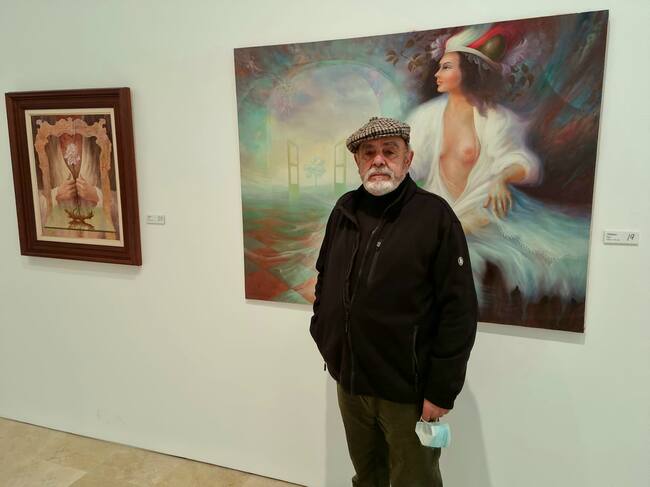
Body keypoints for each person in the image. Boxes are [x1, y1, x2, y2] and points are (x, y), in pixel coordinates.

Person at [310, 116, 478, 486]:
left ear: (408, 158)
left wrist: (441, 390)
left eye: (389, 151)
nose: (378, 160)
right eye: (368, 152)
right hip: (351, 384)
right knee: (367, 475)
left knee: (413, 480)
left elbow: (459, 311)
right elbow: (325, 276)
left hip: (407, 392)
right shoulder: (343, 210)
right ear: (357, 162)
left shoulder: (434, 216)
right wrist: (324, 334)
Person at [408, 25, 589, 306]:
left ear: (467, 71)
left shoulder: (496, 119)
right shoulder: (424, 117)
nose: (437, 74)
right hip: (441, 212)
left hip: (484, 212)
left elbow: (524, 164)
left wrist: (501, 178)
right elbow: (410, 166)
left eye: (446, 67)